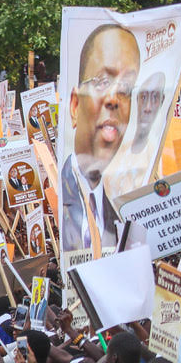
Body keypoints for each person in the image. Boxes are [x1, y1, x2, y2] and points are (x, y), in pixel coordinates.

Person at [60, 24, 138, 250]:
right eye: (103, 82)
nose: (114, 99)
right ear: (75, 105)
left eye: (126, 87)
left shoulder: (121, 218)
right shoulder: (53, 198)